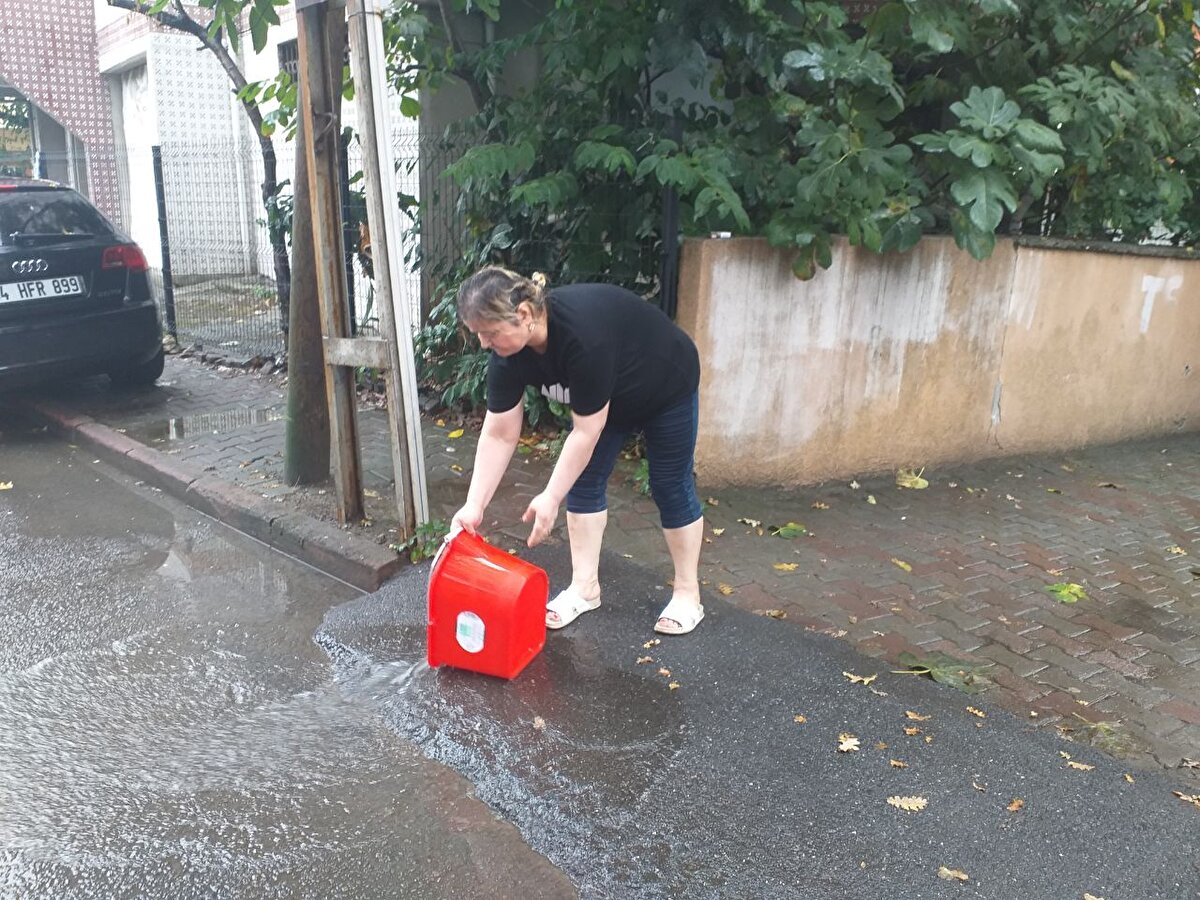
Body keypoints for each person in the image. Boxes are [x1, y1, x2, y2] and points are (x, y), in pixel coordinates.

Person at [449, 266, 706, 635]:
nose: (485, 345)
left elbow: (586, 433)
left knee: (668, 484)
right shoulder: (507, 356)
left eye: (489, 333)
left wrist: (550, 497)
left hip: (665, 385)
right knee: (583, 483)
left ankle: (687, 594)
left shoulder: (583, 336)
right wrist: (474, 506)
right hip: (607, 397)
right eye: (479, 335)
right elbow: (500, 433)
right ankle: (584, 589)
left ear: (523, 315)